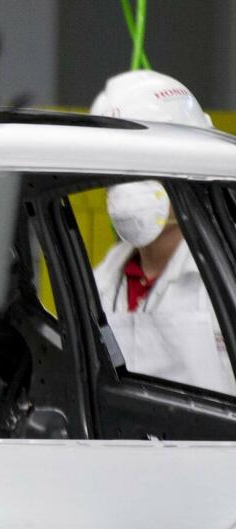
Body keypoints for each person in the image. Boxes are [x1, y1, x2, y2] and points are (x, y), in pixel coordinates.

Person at [88, 70, 236, 396]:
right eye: (119, 170)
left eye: (144, 168)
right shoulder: (100, 283)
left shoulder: (226, 273)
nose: (128, 187)